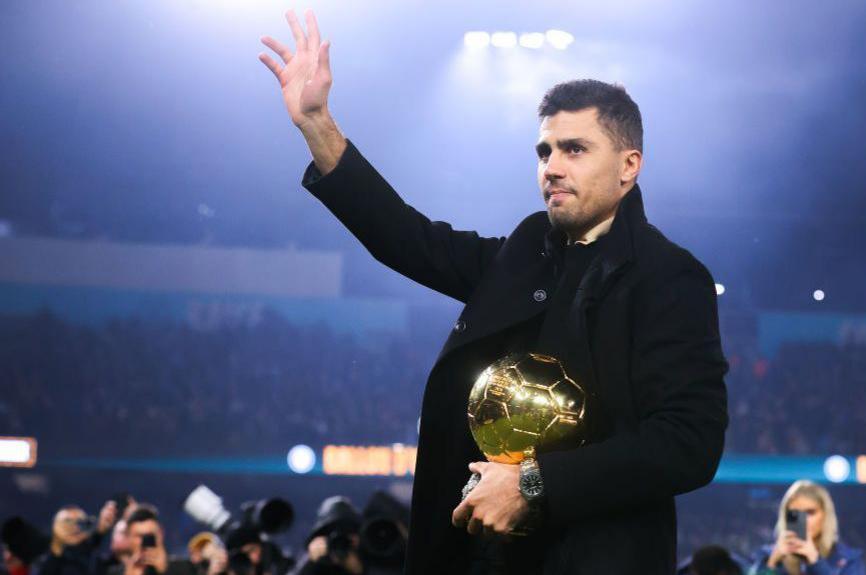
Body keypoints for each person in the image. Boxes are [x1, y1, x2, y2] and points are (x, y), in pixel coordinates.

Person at [259, 9, 729, 574]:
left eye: (574, 149)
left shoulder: (669, 277)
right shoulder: (527, 250)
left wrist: (533, 484)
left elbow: (688, 443)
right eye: (544, 151)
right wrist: (317, 124)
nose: (551, 167)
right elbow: (408, 239)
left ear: (629, 165)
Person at [748, 481, 865, 575]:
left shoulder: (849, 561)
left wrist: (815, 562)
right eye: (795, 513)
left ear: (825, 515)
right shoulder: (766, 555)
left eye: (810, 512)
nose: (803, 520)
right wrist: (771, 564)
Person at [109, 505, 194, 575]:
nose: (145, 541)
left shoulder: (185, 568)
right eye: (139, 536)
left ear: (160, 534)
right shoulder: (115, 573)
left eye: (150, 535)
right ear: (128, 538)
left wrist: (165, 571)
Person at [37, 503, 116, 575]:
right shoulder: (42, 563)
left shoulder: (95, 561)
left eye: (80, 522)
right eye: (67, 521)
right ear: (55, 526)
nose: (74, 527)